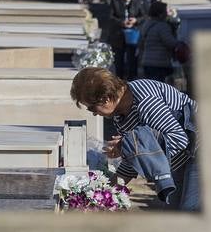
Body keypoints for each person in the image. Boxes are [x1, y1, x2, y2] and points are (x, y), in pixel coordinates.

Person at [71, 66, 200, 211]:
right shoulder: (121, 116)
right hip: (181, 159)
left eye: (92, 108)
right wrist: (106, 190)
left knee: (190, 211)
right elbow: (134, 156)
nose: (94, 114)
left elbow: (179, 140)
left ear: (105, 99)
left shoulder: (145, 102)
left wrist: (127, 146)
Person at [106, 0, 144, 79]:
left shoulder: (136, 0)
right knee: (119, 60)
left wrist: (135, 20)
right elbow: (111, 17)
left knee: (132, 60)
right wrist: (122, 22)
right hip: (119, 34)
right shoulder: (115, 1)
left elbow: (143, 16)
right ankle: (119, 81)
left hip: (132, 34)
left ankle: (132, 82)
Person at [135, 0, 179, 82]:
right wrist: (180, 43)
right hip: (159, 63)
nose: (167, 13)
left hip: (147, 62)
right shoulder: (162, 26)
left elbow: (140, 41)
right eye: (165, 11)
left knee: (151, 87)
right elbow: (170, 42)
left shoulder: (146, 24)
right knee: (159, 88)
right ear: (160, 14)